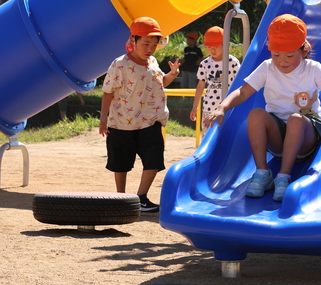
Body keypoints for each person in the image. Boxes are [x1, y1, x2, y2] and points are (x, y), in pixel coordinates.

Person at [205, 14, 321, 202]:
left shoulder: (313, 69)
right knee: (256, 114)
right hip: (278, 135)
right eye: (276, 55)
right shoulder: (267, 67)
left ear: (303, 51)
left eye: (289, 55)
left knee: (296, 119)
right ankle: (263, 173)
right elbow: (243, 91)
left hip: (307, 134)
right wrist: (222, 107)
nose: (282, 61)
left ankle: (283, 176)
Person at [99, 16, 180, 214]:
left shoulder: (152, 62)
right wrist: (103, 119)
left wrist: (172, 74)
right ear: (133, 41)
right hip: (122, 123)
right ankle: (121, 197)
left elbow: (160, 84)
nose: (150, 48)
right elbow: (108, 92)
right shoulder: (120, 64)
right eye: (145, 43)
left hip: (150, 121)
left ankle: (141, 198)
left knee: (154, 160)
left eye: (154, 44)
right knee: (121, 163)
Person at [190, 26, 240, 131]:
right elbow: (200, 86)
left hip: (227, 107)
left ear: (224, 45)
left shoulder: (233, 62)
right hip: (209, 107)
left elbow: (239, 84)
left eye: (216, 46)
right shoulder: (205, 63)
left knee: (225, 135)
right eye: (208, 47)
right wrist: (195, 107)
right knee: (207, 135)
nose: (212, 50)